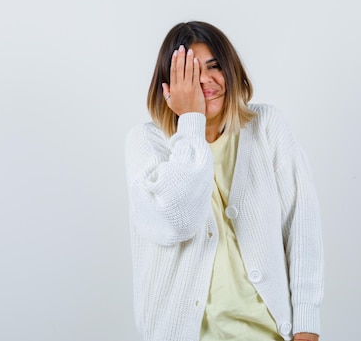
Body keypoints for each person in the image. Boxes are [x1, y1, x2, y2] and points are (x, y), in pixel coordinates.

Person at [124, 21, 324, 341]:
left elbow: (302, 230)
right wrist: (191, 121)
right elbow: (176, 222)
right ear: (168, 86)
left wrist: (306, 328)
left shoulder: (267, 127)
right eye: (188, 73)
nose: (204, 79)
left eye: (214, 66)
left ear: (231, 71)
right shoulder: (146, 143)